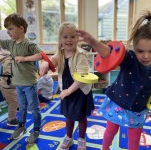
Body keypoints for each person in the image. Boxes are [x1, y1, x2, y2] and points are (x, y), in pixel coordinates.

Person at [75, 9, 151, 150]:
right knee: (110, 131)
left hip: (138, 108)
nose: (145, 56)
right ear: (134, 47)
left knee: (134, 138)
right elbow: (109, 53)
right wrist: (94, 42)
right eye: (140, 51)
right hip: (118, 103)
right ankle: (105, 148)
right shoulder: (131, 58)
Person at [40, 22, 94, 150]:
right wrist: (44, 64)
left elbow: (81, 79)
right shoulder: (61, 53)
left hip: (79, 90)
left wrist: (68, 91)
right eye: (65, 37)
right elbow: (52, 60)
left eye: (72, 37)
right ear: (60, 39)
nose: (69, 40)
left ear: (77, 39)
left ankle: (81, 139)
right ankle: (69, 137)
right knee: (69, 116)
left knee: (81, 117)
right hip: (66, 89)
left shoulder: (81, 55)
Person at [0, 13, 43, 144]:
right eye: (7, 29)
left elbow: (41, 55)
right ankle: (21, 127)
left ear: (21, 28)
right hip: (18, 84)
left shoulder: (28, 44)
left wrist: (25, 59)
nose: (8, 32)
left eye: (11, 29)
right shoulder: (10, 43)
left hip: (29, 83)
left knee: (34, 108)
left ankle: (36, 130)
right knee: (22, 107)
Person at [0, 49, 18, 126]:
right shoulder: (9, 61)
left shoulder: (7, 59)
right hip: (8, 86)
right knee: (13, 102)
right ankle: (11, 120)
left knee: (14, 101)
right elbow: (9, 77)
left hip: (6, 85)